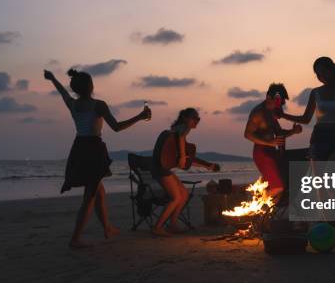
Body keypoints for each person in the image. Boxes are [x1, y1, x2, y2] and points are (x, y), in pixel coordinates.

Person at [44, 69, 151, 248]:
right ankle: (75, 239)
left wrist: (53, 78)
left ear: (75, 89)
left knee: (99, 192)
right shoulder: (98, 105)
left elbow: (61, 91)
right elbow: (116, 127)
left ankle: (107, 228)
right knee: (90, 196)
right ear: (91, 86)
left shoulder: (72, 104)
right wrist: (140, 116)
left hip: (79, 148)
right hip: (93, 150)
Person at [151, 108, 220, 236]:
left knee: (184, 194)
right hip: (161, 169)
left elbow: (189, 160)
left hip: (162, 169)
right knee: (176, 197)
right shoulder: (181, 129)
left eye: (198, 119)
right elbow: (182, 137)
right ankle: (157, 227)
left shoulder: (174, 135)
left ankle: (172, 224)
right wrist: (182, 156)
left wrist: (207, 166)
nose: (196, 122)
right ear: (184, 118)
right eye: (194, 118)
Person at [244, 83, 302, 198]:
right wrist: (269, 143)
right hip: (262, 154)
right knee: (278, 188)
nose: (279, 105)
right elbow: (247, 134)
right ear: (268, 97)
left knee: (282, 186)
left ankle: (263, 207)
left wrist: (293, 131)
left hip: (272, 152)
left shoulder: (271, 112)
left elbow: (279, 134)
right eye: (277, 102)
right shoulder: (258, 113)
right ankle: (255, 208)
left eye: (281, 103)